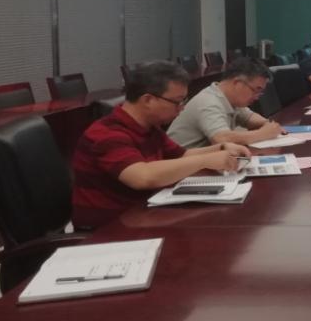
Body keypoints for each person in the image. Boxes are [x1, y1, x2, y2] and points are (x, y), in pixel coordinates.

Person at [72, 61, 250, 228]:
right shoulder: (106, 134)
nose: (181, 108)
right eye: (177, 102)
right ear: (148, 100)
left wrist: (221, 148)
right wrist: (205, 160)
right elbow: (143, 177)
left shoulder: (150, 127)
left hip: (143, 214)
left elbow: (182, 155)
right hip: (108, 229)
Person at [167, 57, 282, 148]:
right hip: (179, 166)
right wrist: (263, 133)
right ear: (237, 83)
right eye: (256, 90)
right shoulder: (209, 102)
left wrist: (267, 124)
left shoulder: (230, 98)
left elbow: (249, 117)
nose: (257, 97)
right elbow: (222, 139)